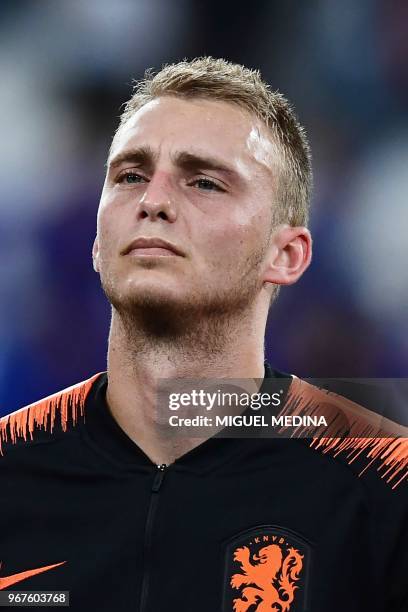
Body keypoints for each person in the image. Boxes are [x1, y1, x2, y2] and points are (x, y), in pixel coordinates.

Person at [0, 57, 406, 612]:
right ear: (96, 241)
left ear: (286, 254)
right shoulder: (10, 469)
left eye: (205, 182)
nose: (153, 201)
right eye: (130, 176)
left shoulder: (383, 481)